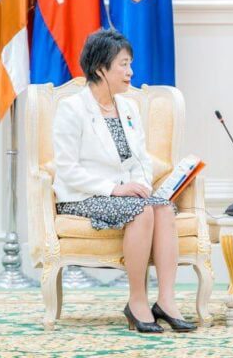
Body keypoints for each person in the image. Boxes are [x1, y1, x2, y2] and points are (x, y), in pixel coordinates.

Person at [52, 29, 196, 334]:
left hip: (125, 194)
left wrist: (141, 185)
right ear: (101, 68)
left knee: (163, 208)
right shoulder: (72, 108)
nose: (130, 72)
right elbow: (66, 169)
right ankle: (137, 302)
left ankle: (167, 301)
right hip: (83, 195)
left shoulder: (128, 107)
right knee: (142, 211)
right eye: (124, 64)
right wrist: (115, 190)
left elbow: (141, 159)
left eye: (130, 64)